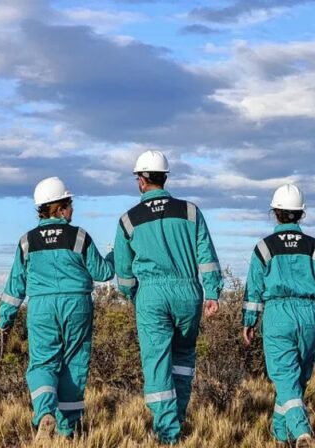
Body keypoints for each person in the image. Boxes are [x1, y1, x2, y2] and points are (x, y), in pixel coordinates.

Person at [112, 150, 223, 444]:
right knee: (184, 358)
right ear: (165, 177)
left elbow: (123, 273)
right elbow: (207, 256)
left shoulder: (128, 219)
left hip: (151, 295)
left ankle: (167, 431)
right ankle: (178, 416)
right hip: (189, 293)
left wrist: (133, 294)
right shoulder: (190, 211)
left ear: (141, 180)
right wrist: (212, 291)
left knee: (157, 363)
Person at [0, 176, 115, 440]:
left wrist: (6, 318)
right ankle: (66, 430)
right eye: (70, 204)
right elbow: (103, 272)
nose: (72, 209)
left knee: (42, 363)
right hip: (77, 305)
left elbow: (15, 284)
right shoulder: (79, 236)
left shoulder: (27, 241)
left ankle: (44, 413)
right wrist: (114, 255)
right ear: (59, 208)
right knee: (74, 363)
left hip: (41, 307)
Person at [241, 184, 315, 448]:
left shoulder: (264, 247)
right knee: (295, 381)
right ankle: (280, 435)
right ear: (301, 214)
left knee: (285, 378)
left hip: (277, 315)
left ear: (275, 212)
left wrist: (249, 322)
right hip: (310, 317)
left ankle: (301, 430)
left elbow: (254, 289)